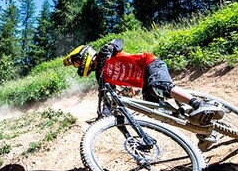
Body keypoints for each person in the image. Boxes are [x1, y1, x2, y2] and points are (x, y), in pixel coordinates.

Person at [62, 39, 224, 127]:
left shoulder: (104, 52)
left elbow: (119, 42)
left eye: (77, 63)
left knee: (158, 86)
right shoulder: (101, 75)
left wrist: (111, 47)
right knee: (156, 112)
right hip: (145, 84)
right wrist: (105, 113)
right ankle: (200, 129)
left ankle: (198, 104)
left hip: (151, 65)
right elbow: (106, 94)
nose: (78, 66)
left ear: (84, 56)